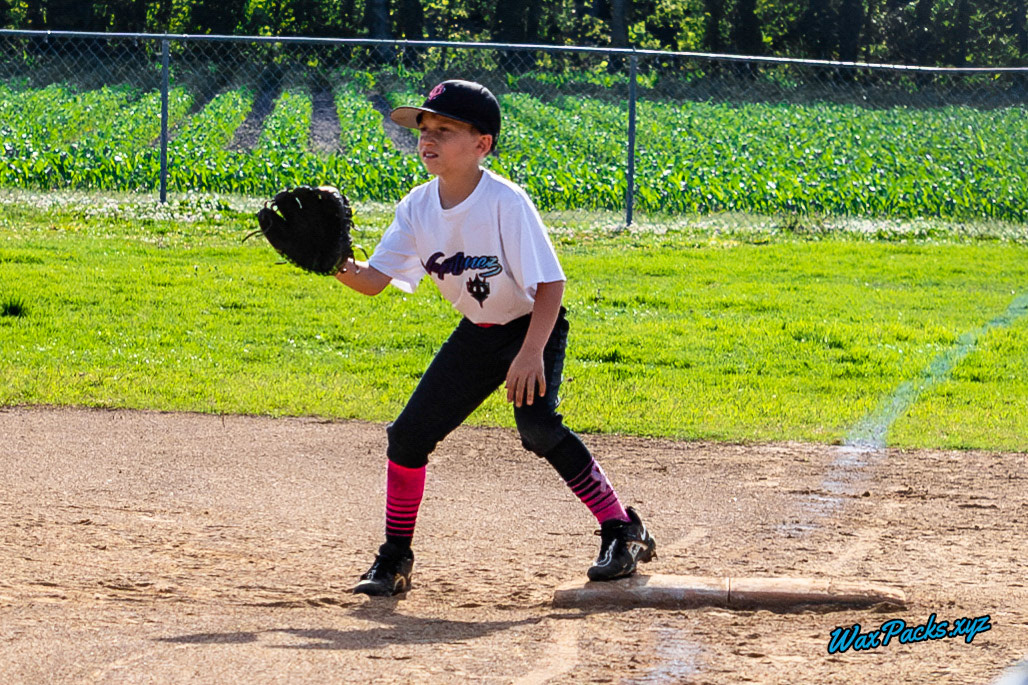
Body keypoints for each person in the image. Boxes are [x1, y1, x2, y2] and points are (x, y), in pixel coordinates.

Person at [334, 79, 655, 596]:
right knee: (408, 437)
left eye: (445, 129)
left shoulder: (505, 201)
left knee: (537, 426)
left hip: (532, 326)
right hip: (478, 334)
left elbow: (552, 283)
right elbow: (373, 281)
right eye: (424, 129)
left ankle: (623, 529)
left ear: (482, 144)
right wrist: (333, 263)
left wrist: (531, 354)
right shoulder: (417, 207)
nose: (427, 138)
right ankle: (395, 558)